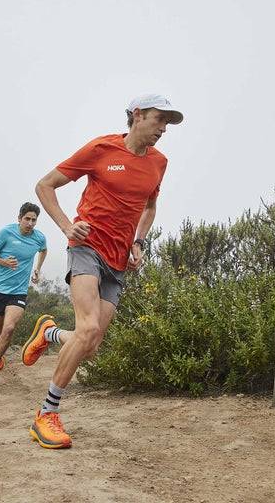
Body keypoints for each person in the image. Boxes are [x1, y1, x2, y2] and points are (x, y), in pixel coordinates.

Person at [20, 93, 183, 448]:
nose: (163, 128)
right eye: (159, 119)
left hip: (119, 261)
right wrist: (66, 227)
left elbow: (149, 207)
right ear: (137, 115)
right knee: (89, 327)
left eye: (168, 122)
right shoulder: (100, 150)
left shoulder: (159, 162)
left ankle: (48, 334)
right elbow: (44, 185)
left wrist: (139, 242)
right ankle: (46, 414)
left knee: (89, 345)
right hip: (86, 248)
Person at [0, 202, 47, 390]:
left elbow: (44, 249)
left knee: (9, 329)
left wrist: (38, 269)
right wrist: (4, 262)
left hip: (18, 292)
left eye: (34, 220)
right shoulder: (6, 233)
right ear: (19, 218)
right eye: (27, 219)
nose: (30, 223)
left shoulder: (39, 238)